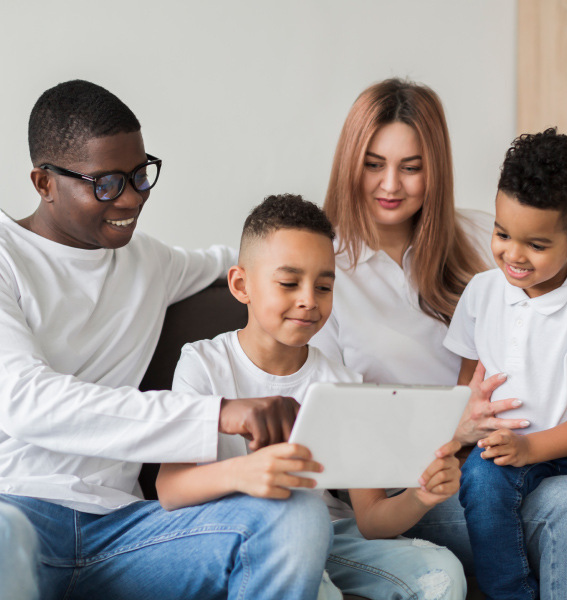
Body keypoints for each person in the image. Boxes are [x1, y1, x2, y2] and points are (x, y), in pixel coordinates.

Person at [0, 80, 333, 600]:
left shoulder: (148, 260)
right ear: (44, 182)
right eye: (107, 183)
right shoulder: (5, 256)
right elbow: (26, 401)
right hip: (18, 513)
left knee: (297, 515)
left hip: (125, 531)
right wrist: (216, 413)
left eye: (139, 175)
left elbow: (251, 265)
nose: (132, 198)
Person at [310, 77, 567, 599]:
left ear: (435, 168)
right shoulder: (325, 275)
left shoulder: (486, 238)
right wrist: (457, 430)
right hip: (417, 488)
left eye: (412, 166)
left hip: (513, 458)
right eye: (374, 163)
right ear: (350, 161)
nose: (390, 185)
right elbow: (348, 442)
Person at [157, 194, 467, 600]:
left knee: (443, 573)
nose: (309, 299)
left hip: (331, 532)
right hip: (247, 534)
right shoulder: (204, 363)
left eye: (324, 286)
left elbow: (372, 520)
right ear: (240, 284)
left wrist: (420, 496)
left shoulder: (341, 382)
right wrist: (248, 474)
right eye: (289, 283)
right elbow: (170, 488)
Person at [444, 128, 567, 600]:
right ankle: (511, 592)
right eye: (502, 233)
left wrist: (531, 450)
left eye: (535, 244)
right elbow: (468, 377)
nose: (513, 254)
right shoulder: (482, 292)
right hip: (503, 447)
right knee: (481, 476)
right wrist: (461, 430)